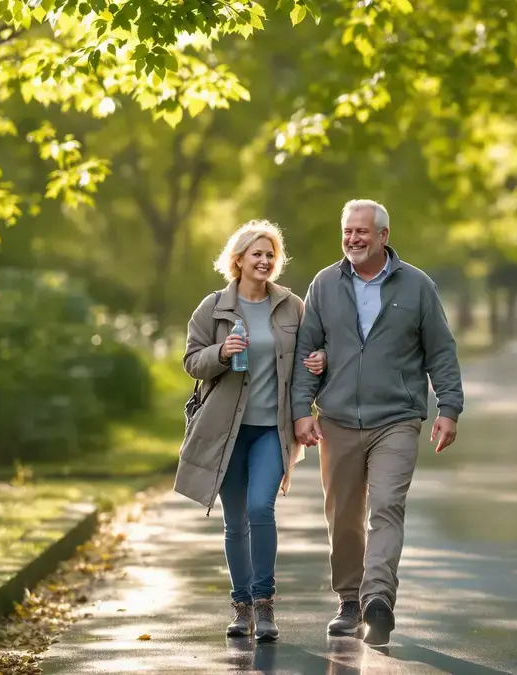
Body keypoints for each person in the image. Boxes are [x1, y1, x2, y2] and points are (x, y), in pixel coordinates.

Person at [291, 199, 464, 646]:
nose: (353, 239)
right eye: (348, 231)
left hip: (397, 418)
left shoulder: (417, 287)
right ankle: (350, 600)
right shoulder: (325, 284)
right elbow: (305, 350)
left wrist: (449, 408)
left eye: (362, 232)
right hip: (339, 419)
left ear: (384, 235)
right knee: (343, 516)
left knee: (386, 507)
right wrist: (299, 411)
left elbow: (441, 351)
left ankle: (377, 600)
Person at [174, 219, 327, 643]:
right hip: (226, 431)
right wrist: (221, 352)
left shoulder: (292, 306)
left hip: (271, 431)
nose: (264, 260)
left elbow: (309, 356)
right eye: (256, 253)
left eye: (270, 254)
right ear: (237, 260)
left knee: (261, 508)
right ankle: (240, 607)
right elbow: (191, 362)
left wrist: (319, 362)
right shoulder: (213, 307)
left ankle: (265, 603)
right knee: (234, 521)